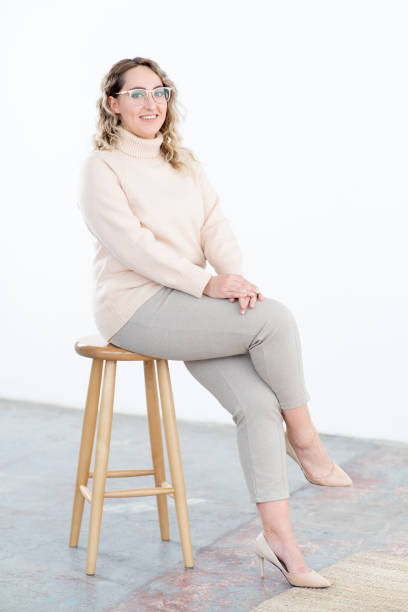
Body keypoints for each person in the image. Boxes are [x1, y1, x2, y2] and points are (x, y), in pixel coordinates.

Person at [78, 56, 352, 588]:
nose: (151, 103)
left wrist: (235, 281)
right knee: (276, 320)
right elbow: (131, 246)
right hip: (136, 307)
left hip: (191, 306)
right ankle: (309, 443)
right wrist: (207, 285)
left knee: (256, 402)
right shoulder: (102, 166)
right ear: (113, 103)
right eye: (136, 94)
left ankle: (280, 546)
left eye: (159, 92)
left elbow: (215, 227)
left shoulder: (185, 163)